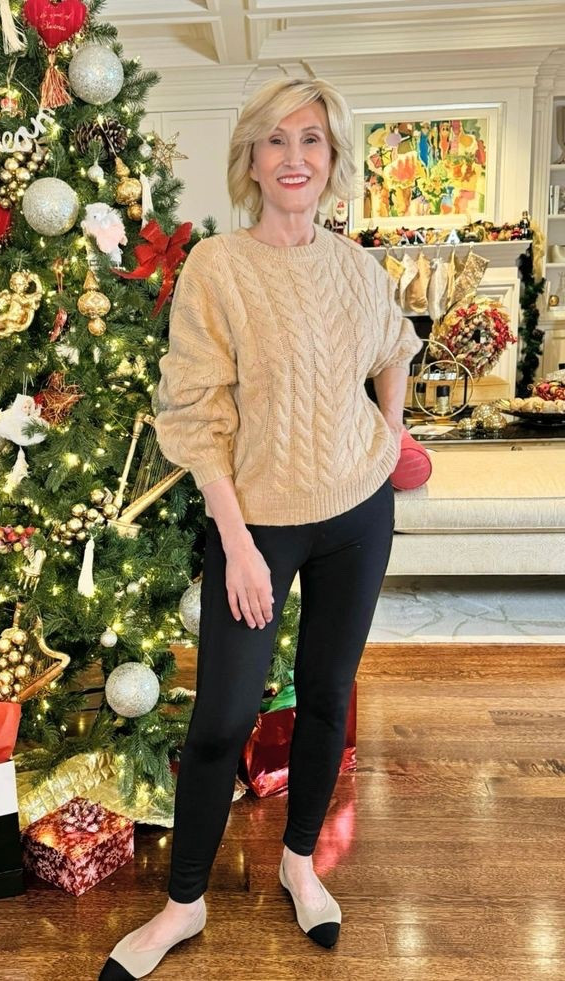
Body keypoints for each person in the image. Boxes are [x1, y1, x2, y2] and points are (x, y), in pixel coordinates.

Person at [98, 75, 422, 981]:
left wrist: (389, 435)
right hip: (260, 525)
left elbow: (396, 344)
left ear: (333, 160)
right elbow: (196, 415)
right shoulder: (219, 266)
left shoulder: (358, 266)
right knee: (224, 717)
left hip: (359, 512)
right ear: (250, 157)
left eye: (311, 140)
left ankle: (299, 860)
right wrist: (237, 544)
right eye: (276, 140)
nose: (294, 157)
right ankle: (182, 904)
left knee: (326, 696)